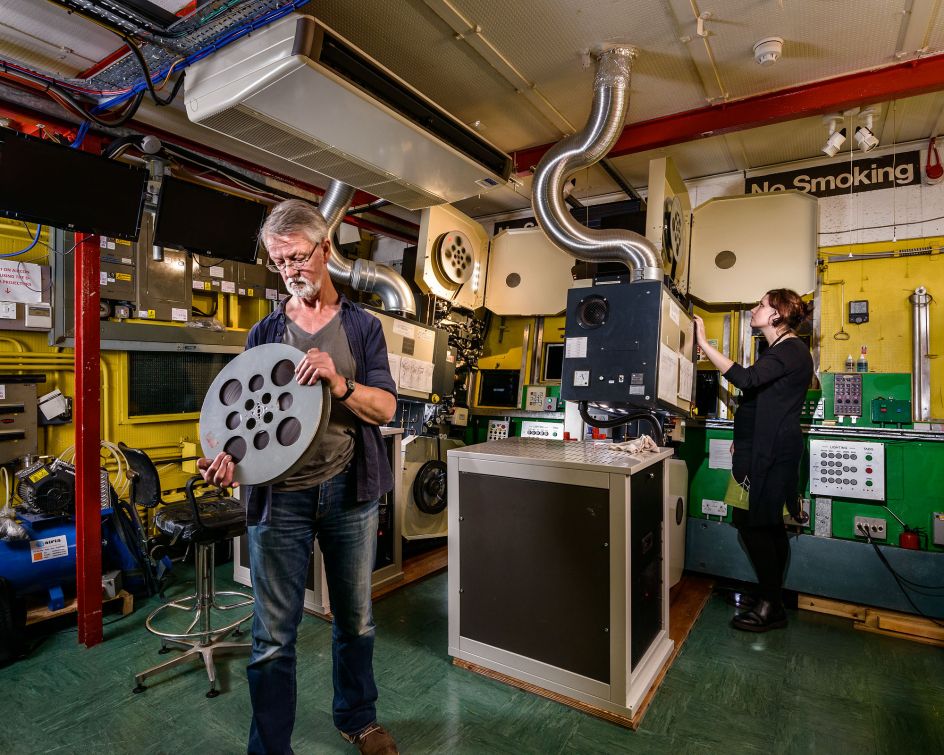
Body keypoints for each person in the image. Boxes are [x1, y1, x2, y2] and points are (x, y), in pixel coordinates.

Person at [198, 199, 399, 755]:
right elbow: (243, 421)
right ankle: (270, 748)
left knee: (355, 621)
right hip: (278, 502)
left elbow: (386, 408)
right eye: (279, 260)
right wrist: (226, 461)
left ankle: (358, 719)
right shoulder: (264, 332)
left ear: (325, 249)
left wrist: (340, 383)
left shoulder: (362, 327)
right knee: (271, 636)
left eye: (297, 257)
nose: (288, 269)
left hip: (348, 492)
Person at [693, 289, 813, 633]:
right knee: (763, 525)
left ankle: (771, 605)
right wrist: (742, 439)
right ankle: (770, 598)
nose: (754, 308)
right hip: (760, 447)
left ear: (776, 315)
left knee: (757, 525)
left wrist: (703, 343)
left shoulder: (791, 350)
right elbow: (761, 399)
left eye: (761, 305)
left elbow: (746, 380)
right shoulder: (777, 350)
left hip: (772, 451)